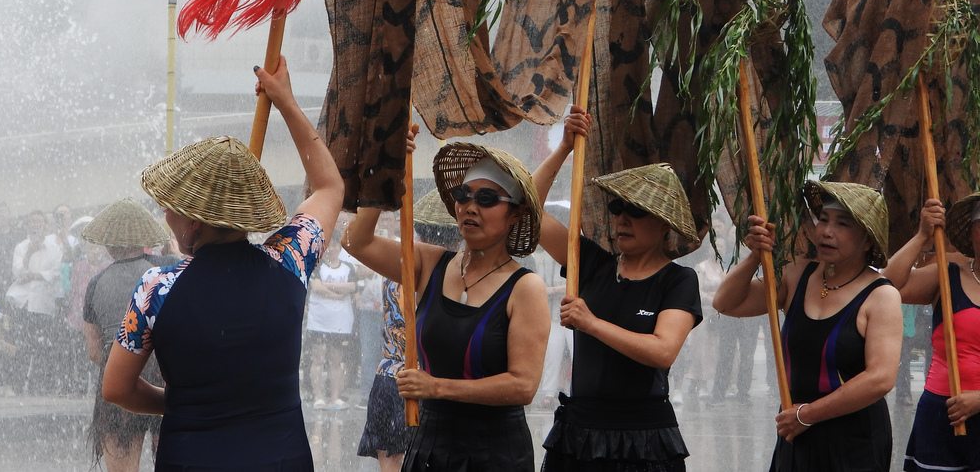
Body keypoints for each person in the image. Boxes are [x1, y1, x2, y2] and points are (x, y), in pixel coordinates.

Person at [102, 56, 343, 472]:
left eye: (171, 207)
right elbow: (329, 186)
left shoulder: (156, 288)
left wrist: (180, 403)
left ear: (194, 221)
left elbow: (116, 389)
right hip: (281, 460)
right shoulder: (289, 262)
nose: (165, 215)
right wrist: (285, 101)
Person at [344, 135, 551, 472]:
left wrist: (436, 387)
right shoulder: (430, 264)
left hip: (494, 450)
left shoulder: (525, 288)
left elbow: (523, 386)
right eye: (463, 195)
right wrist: (386, 169)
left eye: (486, 198)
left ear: (516, 213)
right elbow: (355, 241)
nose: (470, 206)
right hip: (430, 443)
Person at [532, 106, 703, 472]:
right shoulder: (592, 263)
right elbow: (529, 209)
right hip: (579, 430)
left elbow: (662, 352)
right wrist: (564, 148)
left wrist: (590, 323)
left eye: (636, 211)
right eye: (617, 207)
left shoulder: (678, 280)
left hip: (644, 435)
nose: (622, 218)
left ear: (664, 224)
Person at [714, 180, 903, 472]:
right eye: (823, 219)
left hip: (852, 439)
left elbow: (880, 379)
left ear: (868, 240)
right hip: (794, 430)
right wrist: (755, 256)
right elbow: (726, 304)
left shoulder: (881, 296)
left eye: (842, 224)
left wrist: (807, 415)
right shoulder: (796, 274)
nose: (826, 231)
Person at [356, 189, 461, 472]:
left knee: (392, 465)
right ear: (458, 236)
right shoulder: (454, 274)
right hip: (428, 382)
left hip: (390, 378)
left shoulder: (398, 262)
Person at [886, 192, 980, 472]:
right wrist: (922, 236)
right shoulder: (948, 274)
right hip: (940, 416)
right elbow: (885, 287)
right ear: (971, 231)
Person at [81, 198, 176, 472]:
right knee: (173, 462)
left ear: (108, 245)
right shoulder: (167, 266)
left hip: (118, 377)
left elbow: (95, 352)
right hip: (165, 375)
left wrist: (126, 362)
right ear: (144, 237)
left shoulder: (96, 283)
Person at [4, 210, 63, 394]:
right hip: (23, 301)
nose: (36, 225)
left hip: (43, 303)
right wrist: (29, 253)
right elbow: (18, 273)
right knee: (20, 343)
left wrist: (34, 275)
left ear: (45, 225)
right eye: (32, 222)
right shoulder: (21, 247)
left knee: (42, 345)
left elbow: (55, 273)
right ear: (27, 226)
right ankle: (17, 384)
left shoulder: (54, 248)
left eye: (39, 222)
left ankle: (39, 385)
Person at [306, 234, 357, 409]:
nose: (332, 249)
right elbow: (316, 287)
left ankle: (335, 397)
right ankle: (318, 396)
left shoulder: (348, 267)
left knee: (336, 360)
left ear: (340, 248)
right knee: (318, 359)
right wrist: (336, 294)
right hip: (319, 320)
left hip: (341, 321)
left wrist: (327, 286)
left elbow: (352, 286)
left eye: (335, 246)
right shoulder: (316, 265)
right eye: (329, 246)